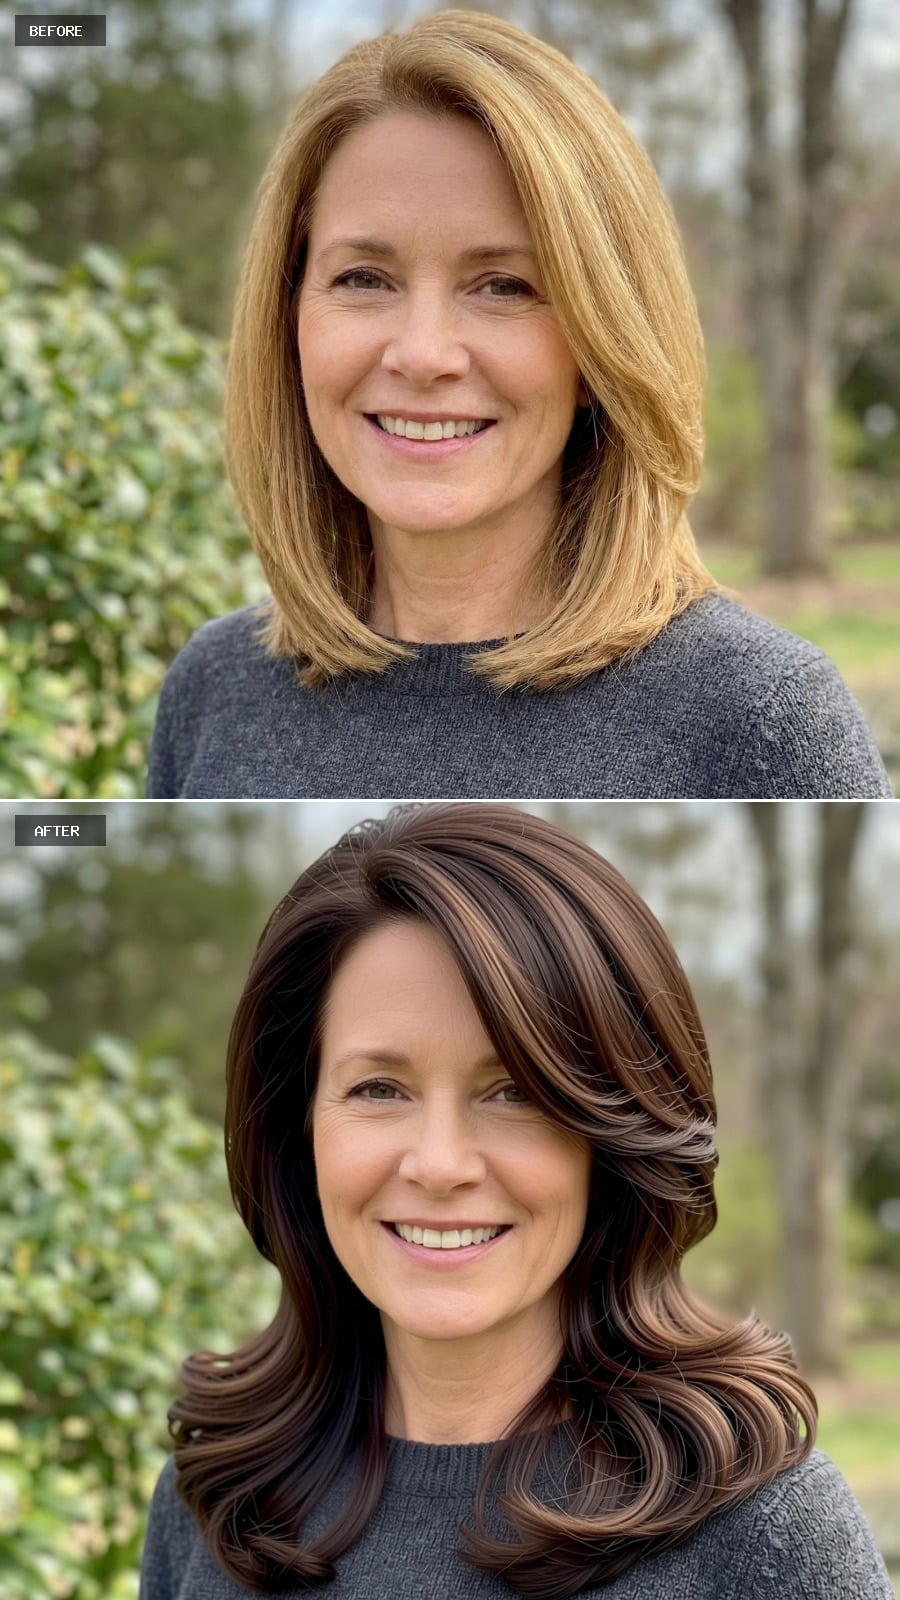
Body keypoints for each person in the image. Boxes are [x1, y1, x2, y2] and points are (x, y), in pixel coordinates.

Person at [139, 802, 892, 1599]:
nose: (440, 1165)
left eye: (515, 1093)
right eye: (379, 1088)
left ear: (613, 1136)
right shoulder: (217, 1500)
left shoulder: (764, 1534)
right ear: (300, 1129)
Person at [144, 11, 891, 800]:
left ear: (601, 344)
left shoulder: (760, 716)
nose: (423, 354)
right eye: (364, 278)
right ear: (287, 316)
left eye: (503, 286)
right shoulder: (216, 688)